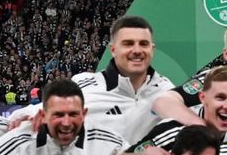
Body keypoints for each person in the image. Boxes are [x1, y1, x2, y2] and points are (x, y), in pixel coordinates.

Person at [69, 15, 175, 146]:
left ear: (152, 49)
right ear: (113, 50)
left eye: (144, 44)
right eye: (128, 44)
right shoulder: (82, 88)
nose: (137, 50)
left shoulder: (167, 90)